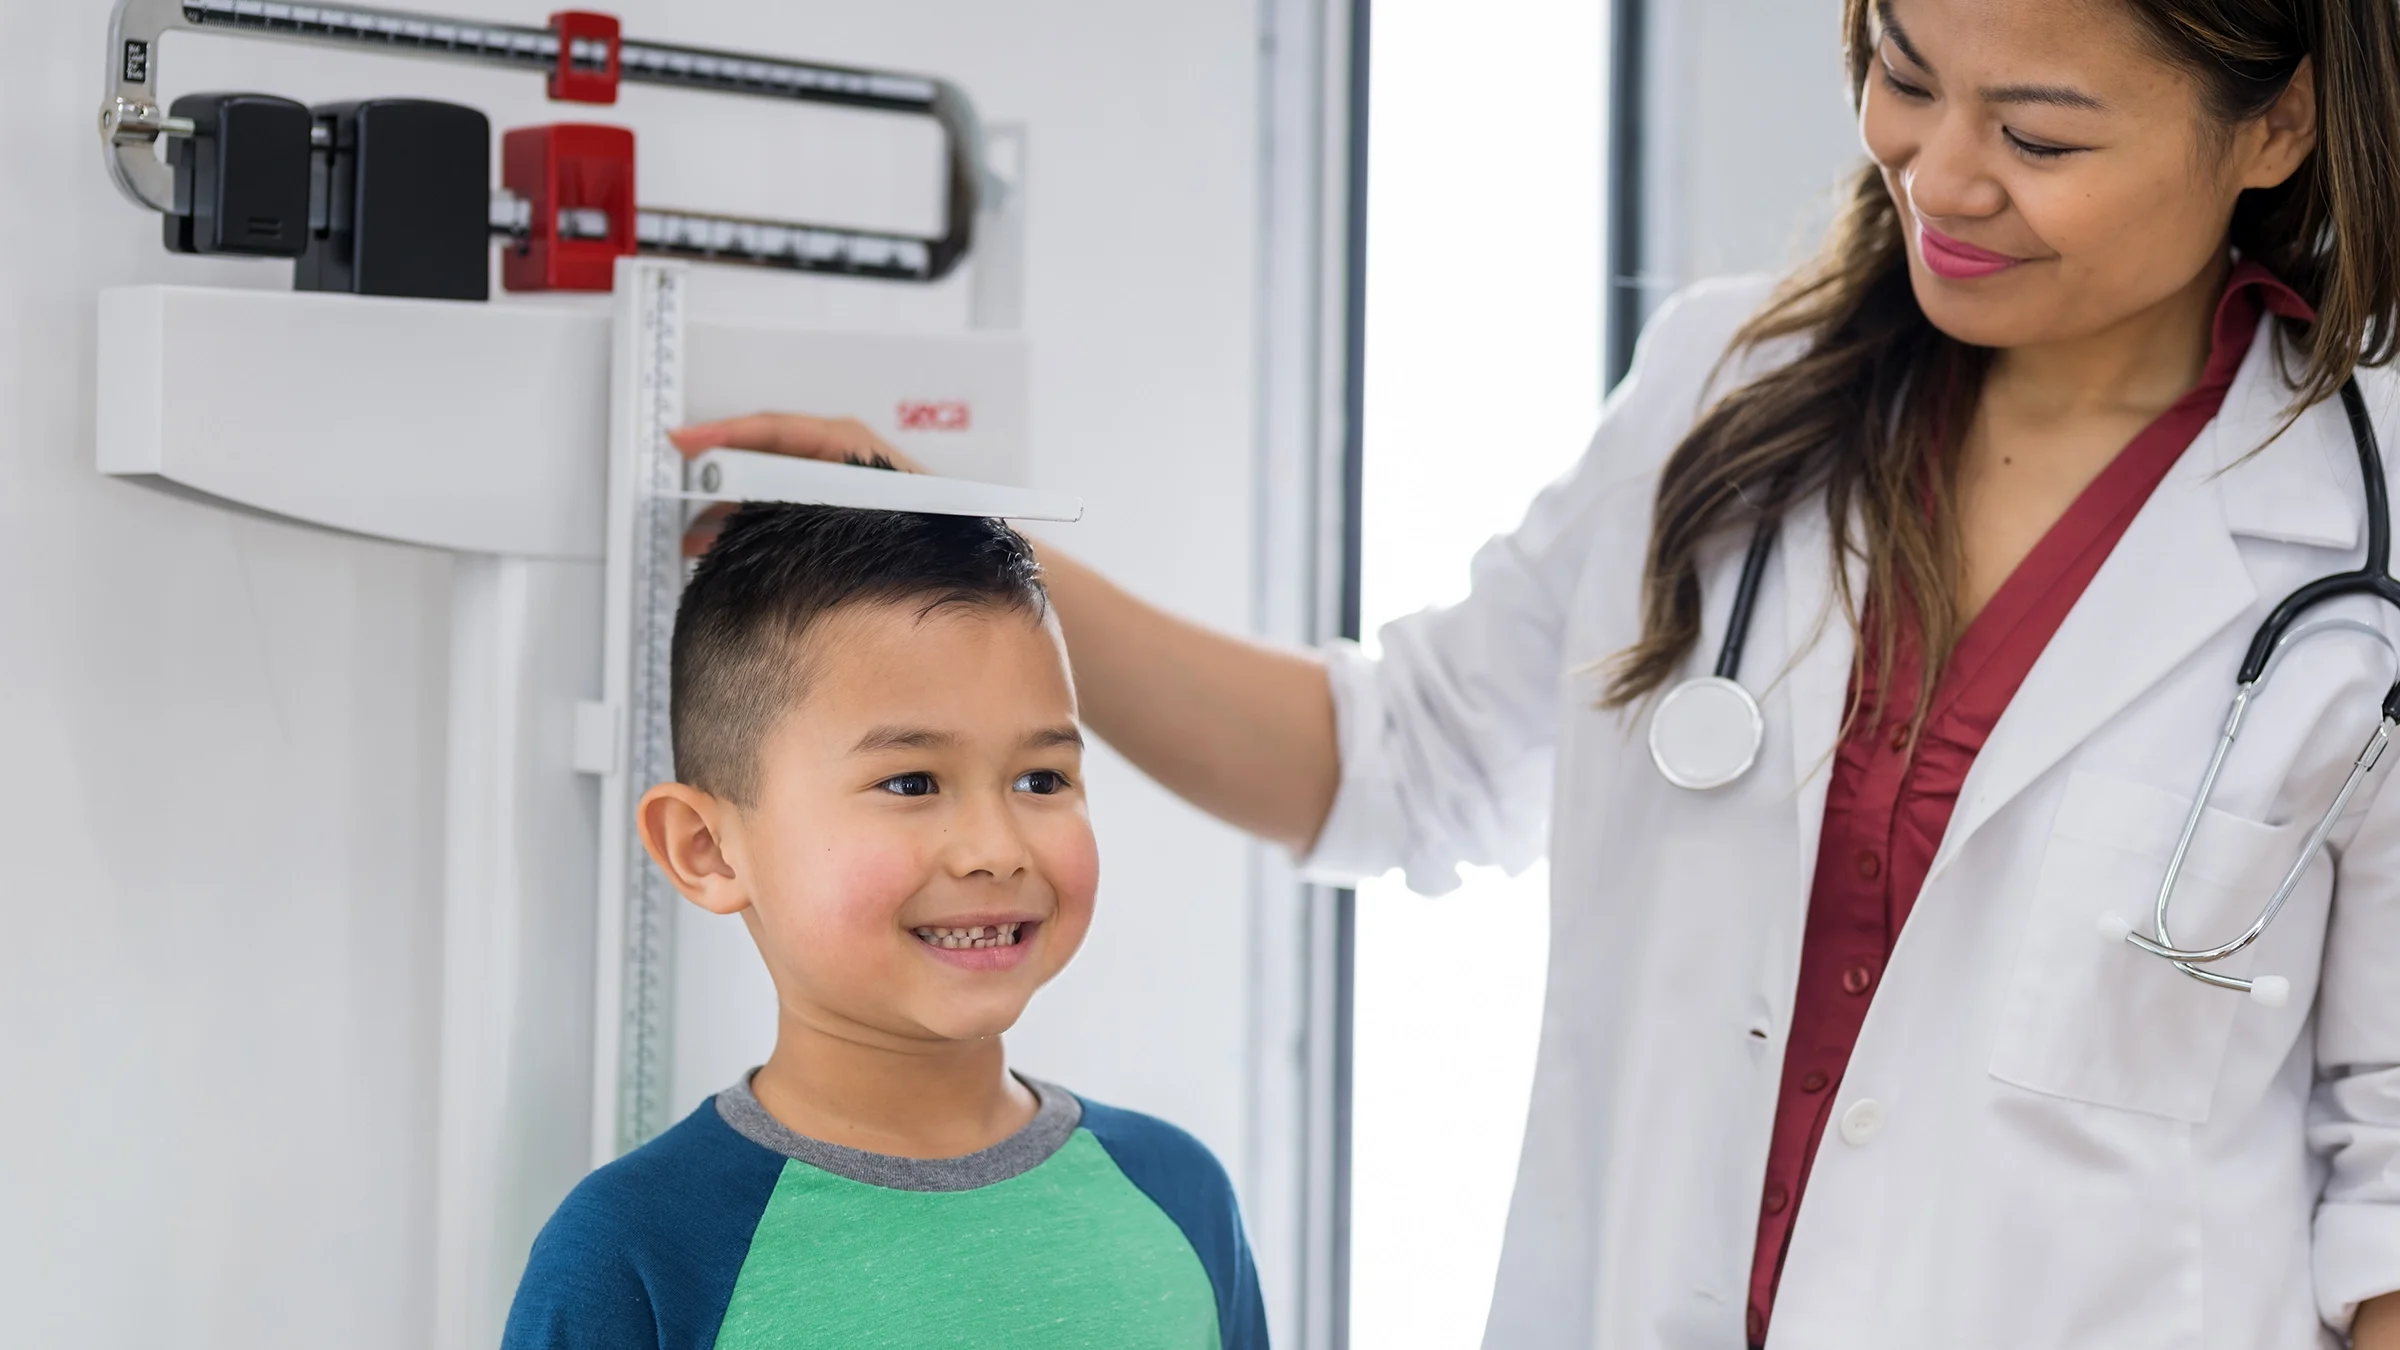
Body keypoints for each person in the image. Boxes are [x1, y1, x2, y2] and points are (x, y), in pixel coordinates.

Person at [672, 0, 2400, 1345]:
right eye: (1900, 70)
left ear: (2278, 121)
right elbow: (1400, 763)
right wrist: (978, 546)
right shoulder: (1725, 387)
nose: (1940, 173)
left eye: (2039, 131)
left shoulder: (2353, 547)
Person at [501, 495, 1268, 1348]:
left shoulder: (1179, 1194)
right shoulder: (633, 1248)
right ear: (708, 849)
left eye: (1042, 780)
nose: (996, 848)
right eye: (912, 783)